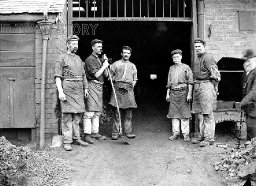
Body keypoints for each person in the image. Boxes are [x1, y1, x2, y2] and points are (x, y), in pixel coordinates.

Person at [55, 35, 89, 151]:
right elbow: (58, 77)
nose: (76, 46)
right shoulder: (62, 58)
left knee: (78, 115)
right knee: (67, 116)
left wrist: (85, 88)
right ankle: (67, 141)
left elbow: (83, 75)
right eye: (74, 44)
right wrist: (60, 92)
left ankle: (77, 138)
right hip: (67, 90)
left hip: (79, 90)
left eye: (77, 44)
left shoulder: (79, 58)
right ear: (67, 45)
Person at [191, 38, 221, 147]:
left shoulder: (208, 58)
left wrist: (214, 88)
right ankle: (202, 136)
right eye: (196, 47)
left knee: (207, 114)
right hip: (198, 86)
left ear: (204, 47)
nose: (197, 48)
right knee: (200, 114)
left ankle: (209, 138)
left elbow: (216, 75)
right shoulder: (198, 58)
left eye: (199, 46)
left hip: (206, 86)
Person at [83, 39, 109, 144]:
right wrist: (104, 65)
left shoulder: (99, 59)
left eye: (101, 47)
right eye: (98, 47)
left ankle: (95, 132)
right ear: (93, 47)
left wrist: (106, 63)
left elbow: (106, 75)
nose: (100, 48)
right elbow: (97, 75)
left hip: (99, 87)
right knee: (90, 111)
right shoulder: (89, 59)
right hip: (92, 85)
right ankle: (87, 135)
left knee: (97, 112)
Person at [109, 46, 138, 140]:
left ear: (130, 54)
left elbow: (135, 79)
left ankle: (128, 132)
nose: (126, 54)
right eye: (124, 52)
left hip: (128, 89)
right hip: (117, 89)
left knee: (129, 113)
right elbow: (110, 77)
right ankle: (115, 133)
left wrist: (131, 86)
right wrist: (113, 79)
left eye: (128, 53)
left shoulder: (133, 66)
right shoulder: (115, 64)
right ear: (121, 54)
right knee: (117, 113)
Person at [166, 49, 193, 142]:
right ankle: (175, 133)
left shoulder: (186, 67)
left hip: (183, 93)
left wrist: (189, 94)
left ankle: (186, 134)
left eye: (177, 57)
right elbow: (169, 83)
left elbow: (190, 82)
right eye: (174, 57)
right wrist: (167, 94)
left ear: (181, 57)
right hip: (173, 93)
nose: (175, 59)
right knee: (174, 115)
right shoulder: (171, 68)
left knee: (184, 115)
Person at [240, 49, 256, 141]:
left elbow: (254, 92)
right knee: (250, 130)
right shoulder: (246, 73)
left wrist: (242, 102)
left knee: (253, 131)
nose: (247, 63)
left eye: (249, 60)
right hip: (249, 107)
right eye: (245, 61)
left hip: (254, 107)